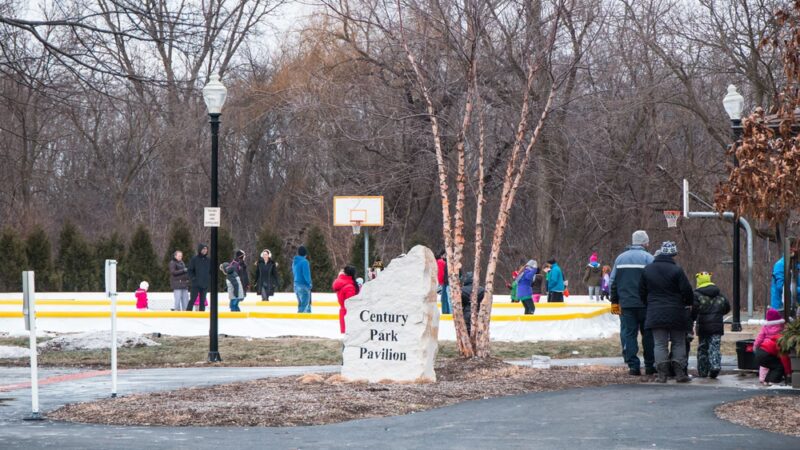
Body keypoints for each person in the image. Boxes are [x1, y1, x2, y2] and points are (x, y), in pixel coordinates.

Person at [640, 241, 694, 383]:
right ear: (673, 255)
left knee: (659, 343)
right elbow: (687, 291)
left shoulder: (647, 270)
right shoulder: (677, 270)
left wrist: (649, 304)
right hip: (676, 311)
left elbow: (641, 291)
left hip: (655, 311)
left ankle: (662, 375)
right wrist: (687, 303)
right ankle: (679, 374)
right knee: (678, 342)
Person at [610, 230, 655, 376]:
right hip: (645, 304)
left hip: (626, 304)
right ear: (644, 242)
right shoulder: (649, 258)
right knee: (648, 335)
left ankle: (633, 366)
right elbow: (655, 281)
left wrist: (615, 301)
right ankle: (649, 365)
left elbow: (613, 281)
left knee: (629, 334)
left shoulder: (620, 259)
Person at [692, 272, 731, 379]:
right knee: (715, 347)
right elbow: (727, 307)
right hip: (717, 326)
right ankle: (715, 365)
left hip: (703, 326)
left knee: (703, 348)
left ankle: (703, 371)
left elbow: (694, 310)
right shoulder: (719, 294)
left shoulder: (696, 294)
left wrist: (692, 319)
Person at [754, 308, 791, 385]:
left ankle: (765, 380)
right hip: (767, 353)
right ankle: (773, 381)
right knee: (779, 366)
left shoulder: (765, 328)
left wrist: (755, 346)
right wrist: (788, 372)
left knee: (768, 366)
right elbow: (784, 358)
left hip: (760, 351)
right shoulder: (780, 337)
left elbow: (759, 337)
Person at [333, 265, 359, 333]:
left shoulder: (342, 284)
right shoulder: (349, 287)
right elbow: (350, 303)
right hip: (349, 313)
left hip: (343, 312)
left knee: (345, 335)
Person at [187, 244, 210, 312]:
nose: (205, 250)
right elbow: (190, 270)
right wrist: (193, 279)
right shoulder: (194, 259)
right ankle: (188, 312)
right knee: (193, 299)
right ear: (200, 250)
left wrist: (209, 279)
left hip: (205, 284)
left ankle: (201, 314)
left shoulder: (208, 260)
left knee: (202, 300)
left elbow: (211, 271)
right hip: (196, 284)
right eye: (203, 249)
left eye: (206, 249)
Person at [292, 246, 312, 313]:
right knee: (305, 306)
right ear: (305, 254)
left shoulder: (294, 262)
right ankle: (304, 322)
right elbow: (306, 274)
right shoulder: (305, 262)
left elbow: (294, 273)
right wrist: (309, 283)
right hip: (303, 285)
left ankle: (298, 321)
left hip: (296, 285)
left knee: (301, 305)